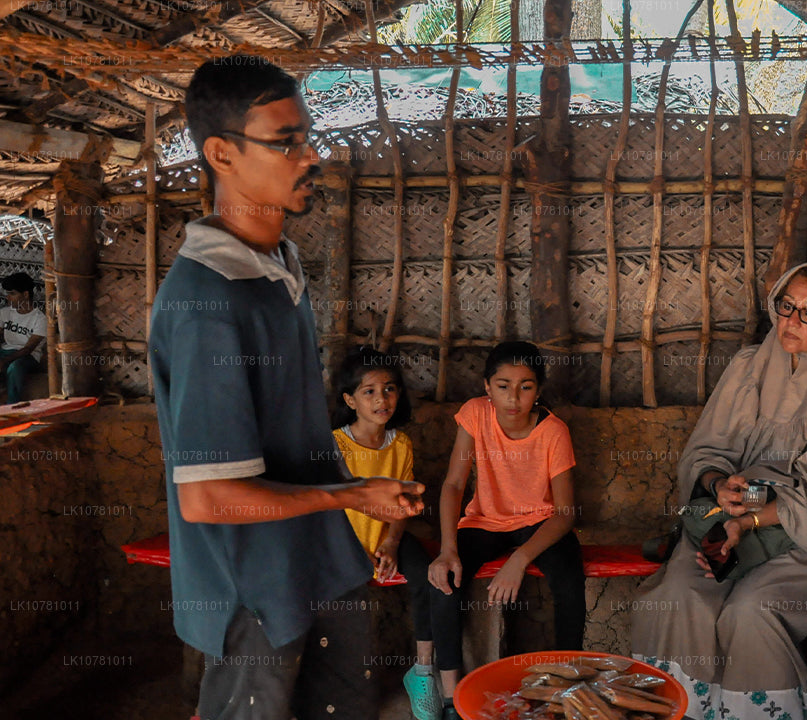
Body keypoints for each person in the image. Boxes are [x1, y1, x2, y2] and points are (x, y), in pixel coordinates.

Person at [150, 55, 424, 720]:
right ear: (222, 153)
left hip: (319, 564)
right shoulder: (206, 305)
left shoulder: (278, 265)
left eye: (306, 136)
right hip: (254, 590)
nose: (310, 156)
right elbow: (210, 498)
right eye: (285, 142)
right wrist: (356, 493)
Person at [631, 262, 807, 720]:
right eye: (786, 306)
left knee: (751, 610)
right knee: (679, 596)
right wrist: (719, 486)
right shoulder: (747, 364)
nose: (792, 321)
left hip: (803, 539)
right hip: (728, 520)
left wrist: (750, 516)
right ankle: (677, 713)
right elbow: (704, 451)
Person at [427, 341, 584, 720]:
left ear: (539, 390)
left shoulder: (554, 432)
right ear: (487, 386)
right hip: (485, 521)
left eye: (525, 386)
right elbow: (453, 484)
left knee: (569, 582)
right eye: (503, 385)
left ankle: (566, 688)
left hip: (539, 523)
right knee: (445, 580)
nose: (514, 397)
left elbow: (564, 513)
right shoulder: (475, 415)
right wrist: (447, 548)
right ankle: (451, 697)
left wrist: (520, 557)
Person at [330, 348, 438, 719]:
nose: (382, 399)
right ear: (350, 400)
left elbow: (403, 504)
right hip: (345, 540)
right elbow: (329, 508)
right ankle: (347, 679)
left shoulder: (401, 444)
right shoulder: (335, 445)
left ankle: (422, 670)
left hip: (386, 535)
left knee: (429, 576)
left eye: (389, 389)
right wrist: (355, 550)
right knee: (345, 592)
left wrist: (391, 543)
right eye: (369, 391)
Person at [0, 271, 46, 402]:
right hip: (5, 351)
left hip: (28, 358)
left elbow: (28, 349)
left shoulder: (40, 319)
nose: (8, 298)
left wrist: (4, 361)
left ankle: (12, 406)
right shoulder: (5, 313)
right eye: (7, 294)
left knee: (15, 367)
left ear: (25, 294)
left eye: (12, 294)